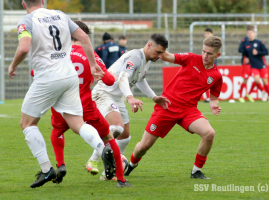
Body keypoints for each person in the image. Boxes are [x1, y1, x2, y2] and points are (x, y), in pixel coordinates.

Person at [8, 0, 115, 188]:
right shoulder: (61, 15)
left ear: (24, 4)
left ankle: (46, 169)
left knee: (27, 123)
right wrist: (92, 64)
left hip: (48, 77)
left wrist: (13, 65)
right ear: (43, 1)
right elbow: (84, 37)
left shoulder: (27, 21)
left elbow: (24, 47)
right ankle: (102, 147)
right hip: (69, 76)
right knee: (77, 123)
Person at [124, 36, 223, 179]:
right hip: (166, 106)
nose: (205, 56)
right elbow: (166, 56)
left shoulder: (216, 76)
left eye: (210, 53)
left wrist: (214, 106)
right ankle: (132, 164)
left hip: (188, 110)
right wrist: (150, 49)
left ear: (217, 55)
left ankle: (196, 171)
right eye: (203, 51)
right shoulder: (190, 58)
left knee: (209, 133)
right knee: (144, 146)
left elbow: (214, 98)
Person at [48, 21, 131, 187]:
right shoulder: (89, 54)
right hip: (84, 107)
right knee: (108, 136)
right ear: (82, 35)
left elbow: (34, 72)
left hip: (60, 106)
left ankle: (60, 164)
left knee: (57, 132)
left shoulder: (56, 53)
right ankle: (121, 179)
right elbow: (108, 80)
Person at [91, 33, 170, 180]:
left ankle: (108, 173)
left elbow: (140, 80)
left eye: (162, 53)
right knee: (117, 128)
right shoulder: (136, 56)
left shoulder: (146, 60)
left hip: (115, 96)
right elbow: (123, 77)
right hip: (104, 93)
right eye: (158, 52)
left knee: (125, 137)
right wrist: (130, 97)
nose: (159, 56)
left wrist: (154, 97)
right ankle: (93, 160)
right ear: (149, 45)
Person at [241, 26, 269, 103]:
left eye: (251, 33)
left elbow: (266, 52)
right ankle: (263, 92)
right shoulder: (246, 45)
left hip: (262, 65)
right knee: (256, 80)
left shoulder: (259, 43)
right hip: (253, 66)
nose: (250, 34)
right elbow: (245, 54)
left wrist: (258, 53)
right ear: (247, 35)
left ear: (254, 34)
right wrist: (246, 58)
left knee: (265, 82)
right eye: (248, 33)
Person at [203, 28, 217, 102]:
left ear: (212, 34)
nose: (206, 35)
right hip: (206, 64)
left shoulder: (214, 44)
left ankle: (212, 97)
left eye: (208, 33)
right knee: (206, 80)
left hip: (212, 64)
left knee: (211, 81)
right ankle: (208, 98)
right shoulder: (205, 44)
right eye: (205, 33)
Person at [237, 33, 252, 103]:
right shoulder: (244, 40)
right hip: (246, 62)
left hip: (254, 62)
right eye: (249, 33)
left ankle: (248, 93)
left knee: (256, 78)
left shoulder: (256, 42)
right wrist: (246, 53)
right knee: (245, 79)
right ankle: (240, 96)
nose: (250, 34)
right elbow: (240, 49)